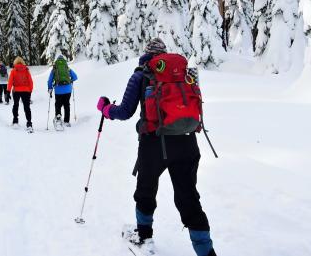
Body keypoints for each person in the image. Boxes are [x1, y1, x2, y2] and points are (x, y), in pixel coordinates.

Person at [96, 38, 217, 256]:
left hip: (154, 143)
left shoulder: (141, 75)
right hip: (187, 141)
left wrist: (105, 108)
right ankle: (206, 252)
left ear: (146, 54)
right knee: (189, 197)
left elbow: (124, 112)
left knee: (146, 190)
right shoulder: (184, 74)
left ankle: (143, 236)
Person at [47, 54, 77, 129]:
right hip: (68, 90)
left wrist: (50, 88)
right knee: (67, 104)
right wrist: (70, 81)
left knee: (58, 104)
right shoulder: (67, 67)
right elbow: (75, 77)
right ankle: (67, 121)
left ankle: (58, 119)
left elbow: (49, 80)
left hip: (58, 90)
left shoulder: (54, 68)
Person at [7, 56, 34, 132]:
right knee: (27, 107)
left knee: (16, 105)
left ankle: (15, 120)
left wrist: (8, 91)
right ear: (22, 62)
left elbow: (10, 81)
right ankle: (29, 122)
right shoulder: (26, 70)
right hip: (26, 91)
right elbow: (30, 81)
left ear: (15, 62)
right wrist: (30, 90)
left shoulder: (13, 70)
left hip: (16, 90)